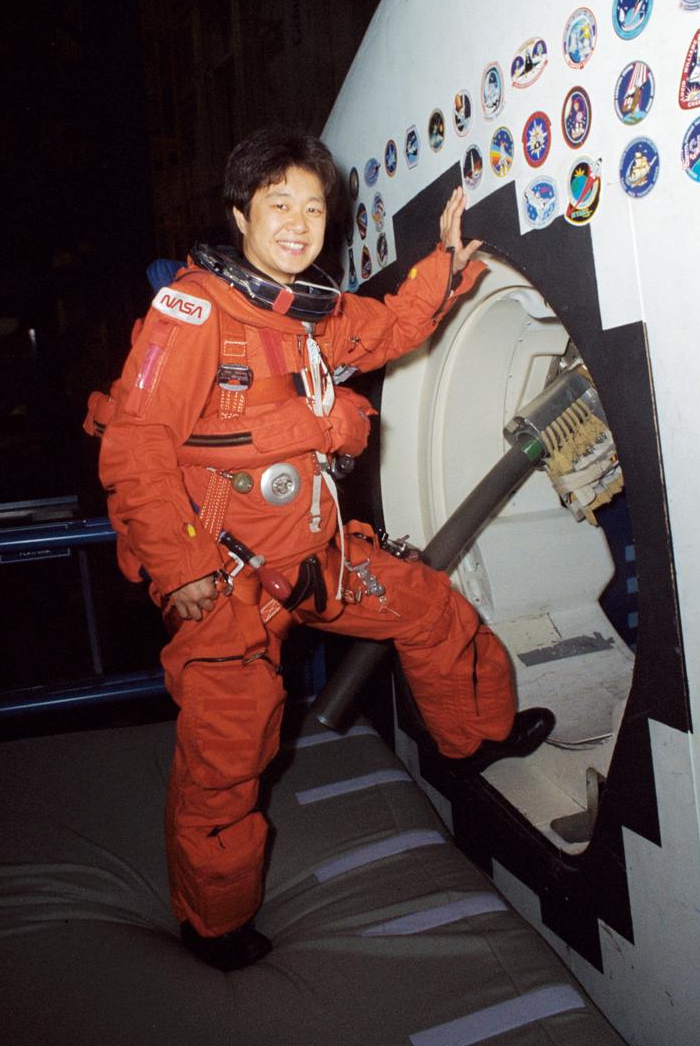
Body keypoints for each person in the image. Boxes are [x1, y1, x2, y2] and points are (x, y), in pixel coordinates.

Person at [94, 127, 554, 971]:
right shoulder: (193, 312)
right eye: (279, 205)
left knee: (429, 608)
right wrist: (183, 568)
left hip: (319, 560)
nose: (299, 222)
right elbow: (133, 448)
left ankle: (472, 739)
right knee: (229, 755)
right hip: (226, 581)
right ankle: (215, 921)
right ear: (240, 216)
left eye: (312, 206)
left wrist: (445, 268)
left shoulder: (309, 314)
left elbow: (381, 330)